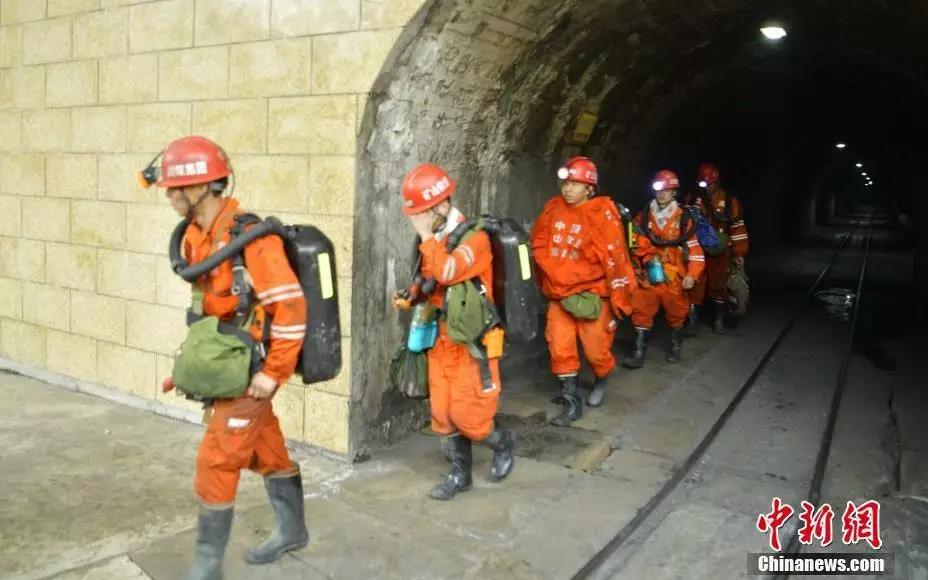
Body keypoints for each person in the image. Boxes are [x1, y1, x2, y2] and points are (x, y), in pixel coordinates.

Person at [154, 136, 309, 579]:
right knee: (266, 450)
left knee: (217, 459)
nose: (170, 196)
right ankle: (293, 531)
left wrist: (273, 374)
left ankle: (207, 566)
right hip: (225, 366)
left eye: (175, 188)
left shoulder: (252, 240)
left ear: (201, 187)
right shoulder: (196, 237)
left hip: (250, 371)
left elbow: (292, 308)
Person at [396, 163, 515, 500]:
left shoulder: (474, 238)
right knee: (443, 414)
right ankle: (460, 475)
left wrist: (425, 236)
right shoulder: (436, 239)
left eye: (421, 213)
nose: (416, 221)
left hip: (472, 343)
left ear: (442, 205)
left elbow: (448, 271)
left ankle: (504, 443)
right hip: (442, 338)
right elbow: (430, 279)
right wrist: (413, 295)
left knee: (471, 415)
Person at [530, 157, 636, 425]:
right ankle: (571, 403)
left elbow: (615, 258)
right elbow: (539, 243)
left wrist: (620, 296)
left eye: (575, 184)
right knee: (559, 346)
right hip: (560, 292)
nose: (568, 189)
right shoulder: (553, 209)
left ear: (589, 189)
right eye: (566, 183)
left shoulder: (602, 213)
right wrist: (554, 274)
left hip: (592, 294)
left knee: (596, 350)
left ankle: (601, 378)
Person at [624, 170, 705, 368]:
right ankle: (638, 353)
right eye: (659, 190)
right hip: (649, 271)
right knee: (641, 308)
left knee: (677, 311)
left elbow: (695, 250)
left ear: (674, 192)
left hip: (673, 275)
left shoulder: (683, 218)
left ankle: (675, 347)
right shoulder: (645, 215)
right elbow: (632, 240)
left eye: (667, 190)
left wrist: (692, 275)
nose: (662, 194)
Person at [688, 162, 750, 334]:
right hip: (698, 249)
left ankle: (719, 320)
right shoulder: (693, 199)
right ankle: (691, 322)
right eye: (703, 184)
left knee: (720, 284)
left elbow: (737, 228)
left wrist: (739, 252)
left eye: (710, 184)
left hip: (721, 251)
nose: (707, 188)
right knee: (695, 283)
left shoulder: (729, 202)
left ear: (717, 182)